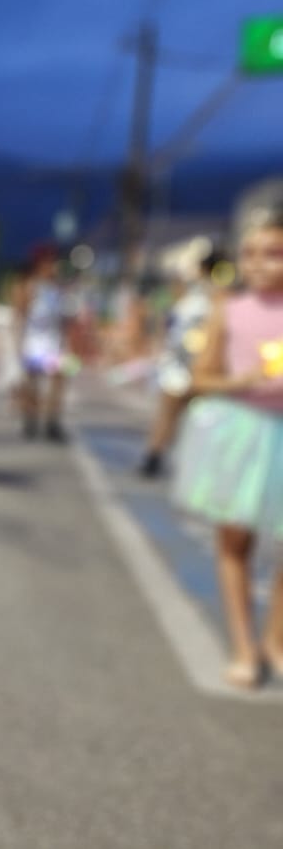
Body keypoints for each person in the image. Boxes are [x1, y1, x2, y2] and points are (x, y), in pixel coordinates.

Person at [170, 211, 283, 689]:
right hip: (241, 432)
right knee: (233, 542)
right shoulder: (228, 309)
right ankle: (243, 645)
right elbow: (201, 377)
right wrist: (246, 379)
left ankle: (274, 640)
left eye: (274, 254)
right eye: (251, 254)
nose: (260, 265)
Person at [140, 250, 226, 478]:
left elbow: (166, 320)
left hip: (185, 363)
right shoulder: (217, 295)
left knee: (170, 414)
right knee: (189, 417)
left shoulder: (195, 293)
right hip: (190, 364)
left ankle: (155, 457)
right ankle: (160, 458)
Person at [12, 244, 75, 441]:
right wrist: (17, 344)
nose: (53, 266)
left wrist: (67, 339)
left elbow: (65, 317)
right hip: (34, 342)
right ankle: (31, 419)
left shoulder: (59, 287)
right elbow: (20, 316)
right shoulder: (29, 286)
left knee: (60, 378)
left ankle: (52, 422)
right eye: (49, 262)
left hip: (54, 342)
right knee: (33, 383)